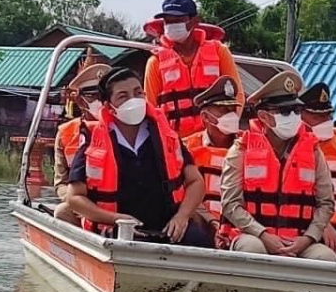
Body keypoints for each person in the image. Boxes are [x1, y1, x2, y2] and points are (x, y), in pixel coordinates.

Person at [65, 67, 209, 247]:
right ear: (110, 106)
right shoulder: (93, 141)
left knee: (200, 239)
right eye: (123, 96)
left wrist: (183, 216)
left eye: (138, 92)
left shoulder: (166, 136)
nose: (133, 100)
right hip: (116, 228)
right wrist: (115, 219)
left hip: (168, 225)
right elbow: (74, 197)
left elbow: (196, 181)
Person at [219, 70, 336, 262]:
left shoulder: (314, 151)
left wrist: (308, 238)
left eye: (297, 111)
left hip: (299, 240)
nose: (292, 117)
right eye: (284, 112)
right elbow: (230, 203)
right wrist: (263, 234)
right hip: (253, 235)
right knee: (252, 249)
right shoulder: (241, 149)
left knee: (327, 258)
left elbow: (326, 203)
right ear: (264, 116)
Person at [144, 0, 243, 138]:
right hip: (177, 142)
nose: (171, 26)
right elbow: (150, 107)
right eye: (167, 21)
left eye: (177, 20)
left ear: (194, 21)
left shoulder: (219, 51)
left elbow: (238, 94)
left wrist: (228, 127)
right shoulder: (155, 62)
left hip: (216, 139)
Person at [182, 76, 241, 246]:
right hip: (200, 221)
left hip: (240, 226)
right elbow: (184, 194)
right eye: (223, 111)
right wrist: (213, 223)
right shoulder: (187, 147)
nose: (230, 115)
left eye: (232, 110)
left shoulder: (249, 147)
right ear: (205, 117)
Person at [53, 63, 111, 224]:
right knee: (62, 212)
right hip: (81, 203)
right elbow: (61, 183)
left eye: (104, 96)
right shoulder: (66, 133)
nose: (100, 102)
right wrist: (77, 202)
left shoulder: (124, 127)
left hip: (118, 200)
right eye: (94, 96)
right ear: (80, 100)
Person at [300, 82, 336, 255]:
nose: (326, 122)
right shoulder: (294, 144)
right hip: (315, 226)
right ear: (301, 116)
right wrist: (322, 224)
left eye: (328, 115)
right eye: (318, 117)